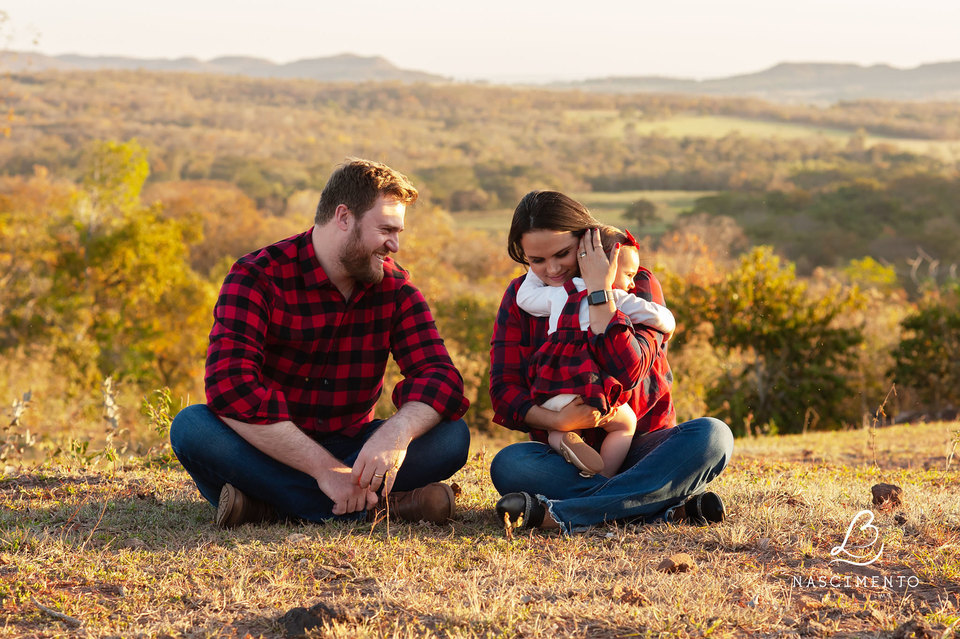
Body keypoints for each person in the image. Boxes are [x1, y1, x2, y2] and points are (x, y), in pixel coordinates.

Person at [170, 159, 470, 528]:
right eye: (386, 230)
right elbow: (231, 388)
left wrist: (396, 433)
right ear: (343, 217)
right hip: (271, 447)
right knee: (192, 428)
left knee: (452, 436)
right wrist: (324, 471)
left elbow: (442, 378)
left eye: (398, 232)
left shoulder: (396, 289)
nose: (395, 245)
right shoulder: (257, 276)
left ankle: (270, 508)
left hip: (356, 448)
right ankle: (379, 509)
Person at [489, 190, 734, 534]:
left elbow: (630, 370)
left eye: (563, 253)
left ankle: (561, 515)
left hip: (644, 448)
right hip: (567, 457)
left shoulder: (635, 283)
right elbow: (503, 391)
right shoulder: (523, 298)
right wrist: (557, 420)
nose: (553, 268)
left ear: (588, 241)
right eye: (537, 261)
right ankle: (660, 509)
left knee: (713, 436)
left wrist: (600, 293)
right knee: (509, 464)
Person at [515, 225, 675, 478]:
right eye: (629, 274)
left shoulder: (558, 293)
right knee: (625, 424)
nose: (633, 282)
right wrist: (669, 324)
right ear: (607, 269)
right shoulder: (618, 297)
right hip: (586, 382)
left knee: (559, 427)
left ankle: (561, 439)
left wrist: (536, 270)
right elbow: (659, 317)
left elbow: (525, 298)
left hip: (550, 384)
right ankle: (604, 479)